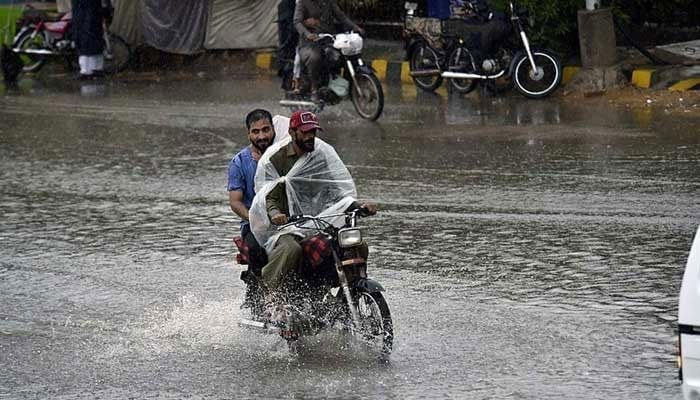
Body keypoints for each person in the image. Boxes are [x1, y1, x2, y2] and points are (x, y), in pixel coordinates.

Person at [249, 110, 376, 300]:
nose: (310, 137)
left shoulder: (319, 155)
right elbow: (269, 196)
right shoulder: (276, 158)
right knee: (291, 249)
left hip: (317, 221)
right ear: (292, 132)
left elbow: (334, 189)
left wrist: (357, 204)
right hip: (285, 226)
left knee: (357, 245)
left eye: (313, 132)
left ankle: (348, 292)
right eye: (305, 132)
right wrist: (276, 214)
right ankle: (271, 295)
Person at [228, 109, 277, 312]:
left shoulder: (283, 155)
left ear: (274, 129)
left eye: (266, 130)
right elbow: (235, 202)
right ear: (248, 134)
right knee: (257, 248)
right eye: (256, 131)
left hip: (287, 221)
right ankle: (266, 292)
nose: (262, 136)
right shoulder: (239, 162)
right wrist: (255, 219)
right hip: (253, 225)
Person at [293, 0, 365, 102]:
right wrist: (307, 34)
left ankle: (343, 85)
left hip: (328, 40)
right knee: (315, 57)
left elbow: (342, 17)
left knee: (344, 54)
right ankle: (314, 89)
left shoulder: (329, 2)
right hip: (308, 43)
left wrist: (356, 28)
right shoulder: (303, 2)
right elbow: (297, 22)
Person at [72, 0, 112, 80]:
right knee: (93, 43)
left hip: (84, 16)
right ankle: (96, 69)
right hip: (92, 16)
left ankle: (87, 70)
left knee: (85, 44)